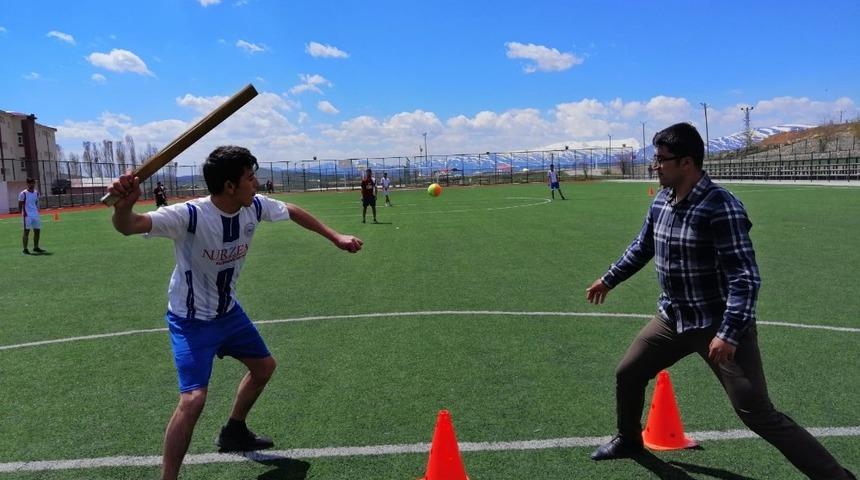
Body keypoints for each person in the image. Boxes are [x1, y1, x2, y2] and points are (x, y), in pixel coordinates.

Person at [584, 123, 855, 479]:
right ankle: (630, 439)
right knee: (629, 373)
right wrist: (609, 279)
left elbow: (745, 277)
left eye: (661, 159)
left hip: (719, 324)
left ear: (686, 163)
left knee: (757, 413)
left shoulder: (721, 207)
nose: (655, 166)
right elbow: (642, 247)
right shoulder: (661, 202)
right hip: (673, 318)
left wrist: (728, 333)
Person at [107, 146, 363, 480]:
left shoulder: (254, 207)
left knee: (264, 368)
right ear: (230, 186)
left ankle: (234, 431)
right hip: (192, 321)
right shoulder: (190, 215)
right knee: (194, 399)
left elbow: (293, 210)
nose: (257, 183)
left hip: (228, 313)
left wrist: (335, 237)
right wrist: (123, 207)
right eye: (250, 177)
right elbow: (129, 225)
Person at [18, 178, 45, 254]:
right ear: (27, 184)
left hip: (35, 214)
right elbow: (20, 204)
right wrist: (23, 213)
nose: (32, 185)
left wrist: (35, 211)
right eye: (30, 183)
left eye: (33, 183)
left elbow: (35, 202)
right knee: (26, 232)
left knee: (37, 231)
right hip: (27, 215)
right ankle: (25, 249)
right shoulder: (23, 193)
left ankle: (36, 247)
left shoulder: (36, 193)